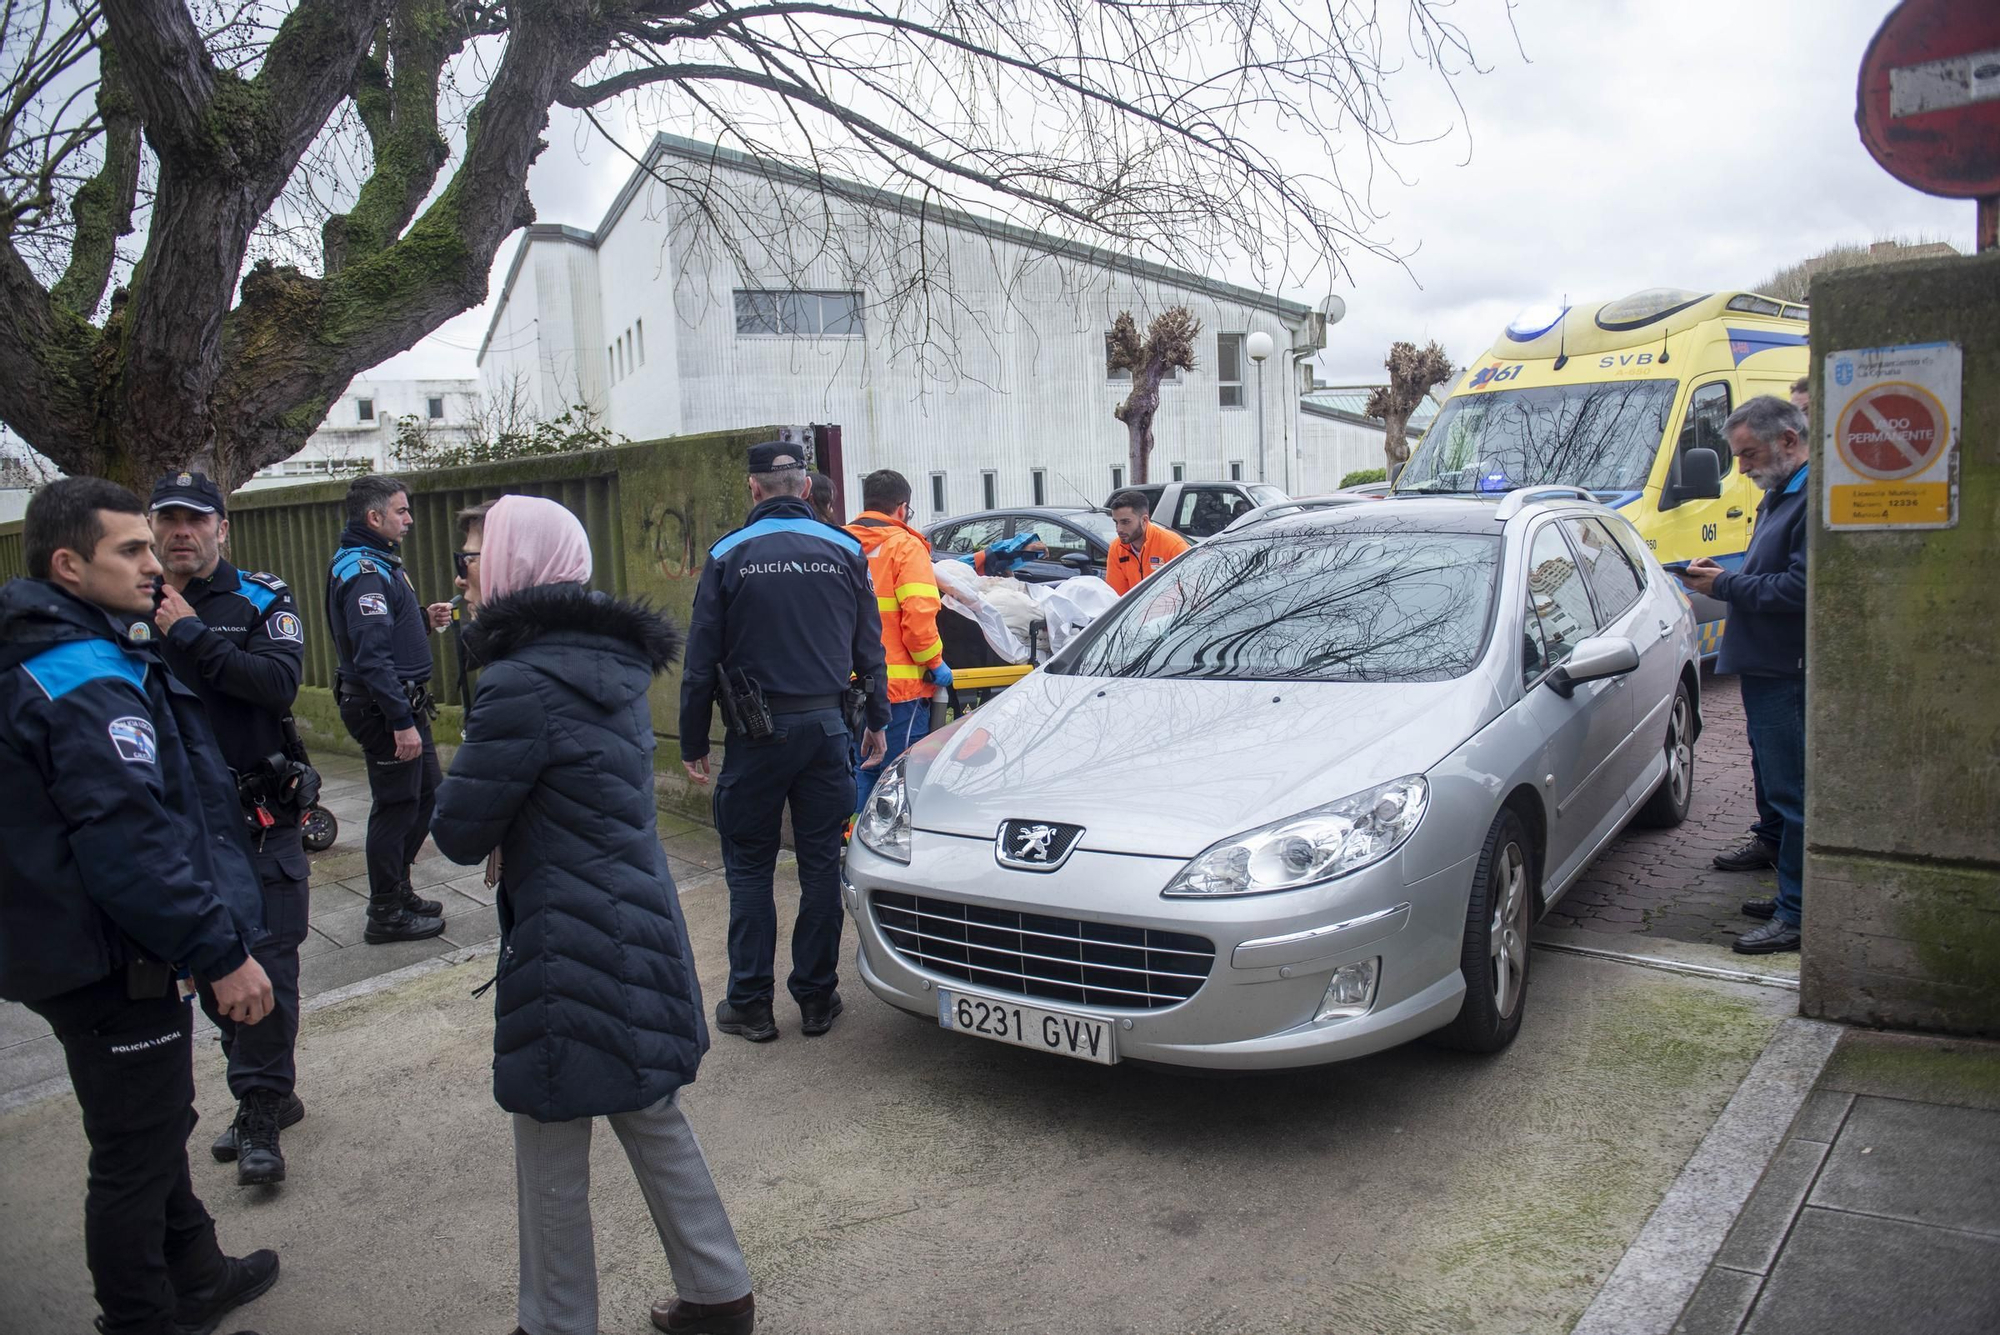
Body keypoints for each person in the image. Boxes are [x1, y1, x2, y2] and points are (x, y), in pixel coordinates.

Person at [431, 495, 755, 1335]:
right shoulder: (603, 663)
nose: (464, 577)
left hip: (565, 932)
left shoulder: (518, 680)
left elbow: (460, 830)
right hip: (631, 913)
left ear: (515, 566)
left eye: (473, 557)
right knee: (648, 1106)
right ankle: (721, 1294)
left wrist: (501, 818)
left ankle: (555, 1321)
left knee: (548, 1127)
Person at [0, 477, 280, 1335]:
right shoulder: (79, 673)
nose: (154, 565)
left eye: (154, 547)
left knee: (151, 1120)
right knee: (133, 1149)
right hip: (109, 952)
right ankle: (141, 1316)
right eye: (133, 549)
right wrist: (219, 950)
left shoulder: (67, 644)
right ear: (67, 564)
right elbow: (131, 839)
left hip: (78, 942)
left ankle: (196, 1271)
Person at [680, 441, 889, 1043]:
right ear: (804, 489)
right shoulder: (847, 548)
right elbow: (867, 647)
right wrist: (876, 719)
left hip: (756, 736)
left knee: (749, 868)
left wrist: (694, 737)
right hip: (827, 730)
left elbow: (701, 661)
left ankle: (750, 1004)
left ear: (752, 490)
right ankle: (818, 1000)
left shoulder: (727, 553)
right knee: (821, 863)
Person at [149, 472, 310, 1187]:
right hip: (182, 824)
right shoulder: (127, 603)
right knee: (212, 966)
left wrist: (187, 632)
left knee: (269, 961)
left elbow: (276, 683)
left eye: (196, 518)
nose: (182, 530)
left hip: (259, 818)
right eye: (169, 519)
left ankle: (258, 1107)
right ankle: (265, 1085)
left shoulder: (260, 597)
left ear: (222, 528)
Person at [1676, 396, 1810, 955]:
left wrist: (1723, 587)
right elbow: (1769, 569)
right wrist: (1725, 574)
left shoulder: (1809, 500)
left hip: (1786, 670)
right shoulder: (1779, 494)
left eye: (1749, 454)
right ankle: (1787, 890)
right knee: (1774, 786)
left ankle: (1798, 914)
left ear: (1787, 440)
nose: (1744, 468)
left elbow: (1801, 589)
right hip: (1764, 667)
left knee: (1792, 793)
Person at [326, 474, 450, 944]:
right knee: (397, 805)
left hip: (403, 703)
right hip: (385, 709)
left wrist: (423, 619)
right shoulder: (364, 571)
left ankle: (398, 889)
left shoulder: (378, 562)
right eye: (401, 511)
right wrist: (400, 721)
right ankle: (385, 912)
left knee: (426, 797)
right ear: (374, 517)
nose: (409, 519)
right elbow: (371, 654)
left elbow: (385, 629)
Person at [845, 469, 950, 809]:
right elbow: (918, 619)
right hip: (895, 691)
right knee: (894, 775)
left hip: (840, 685)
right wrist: (934, 663)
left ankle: (847, 842)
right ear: (902, 508)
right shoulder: (906, 547)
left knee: (854, 769)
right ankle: (874, 850)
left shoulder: (838, 543)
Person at [1104, 488, 1191, 595]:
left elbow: (1188, 591)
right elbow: (1117, 597)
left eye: (1125, 522)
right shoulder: (1116, 548)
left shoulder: (1173, 545)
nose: (1119, 529)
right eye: (1116, 522)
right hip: (1135, 610)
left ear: (1144, 520)